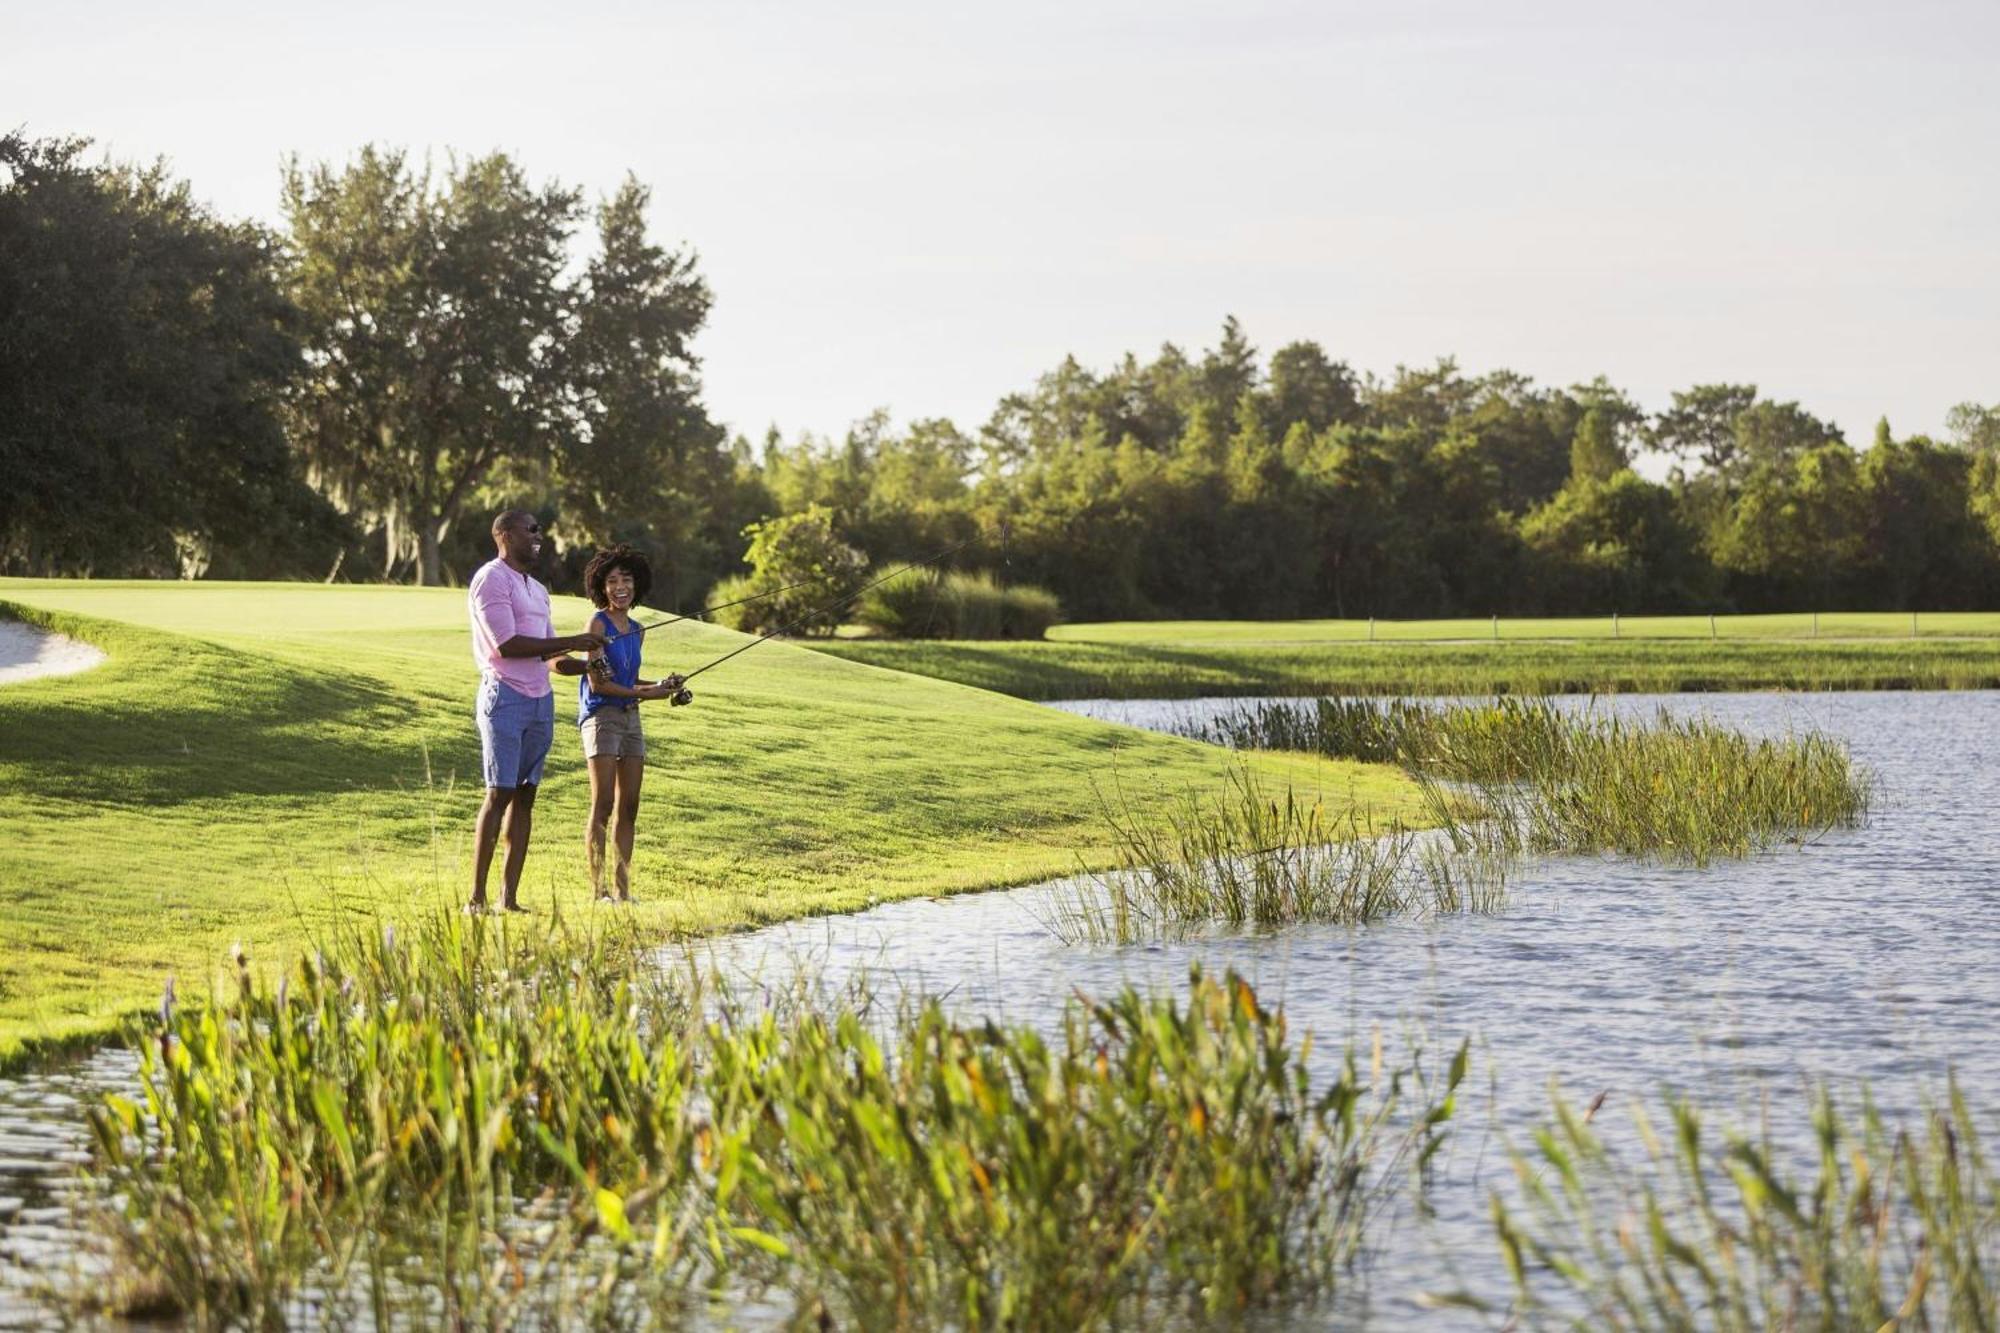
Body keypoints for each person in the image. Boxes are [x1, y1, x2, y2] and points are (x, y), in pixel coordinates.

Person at [466, 510, 603, 913]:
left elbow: (550, 657)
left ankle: (509, 900)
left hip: (540, 701)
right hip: (504, 697)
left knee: (526, 795)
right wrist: (574, 639)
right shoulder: (491, 578)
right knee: (500, 792)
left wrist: (587, 661)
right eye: (531, 529)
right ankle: (476, 899)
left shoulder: (538, 589)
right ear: (505, 535)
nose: (538, 535)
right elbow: (506, 644)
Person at [575, 544, 686, 902]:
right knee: (603, 802)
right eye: (612, 581)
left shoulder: (637, 630)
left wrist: (661, 687)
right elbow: (599, 683)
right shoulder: (597, 623)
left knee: (630, 805)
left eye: (626, 579)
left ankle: (623, 892)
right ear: (601, 587)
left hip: (630, 719)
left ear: (636, 584)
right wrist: (647, 694)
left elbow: (629, 681)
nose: (620, 586)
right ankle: (598, 891)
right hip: (601, 717)